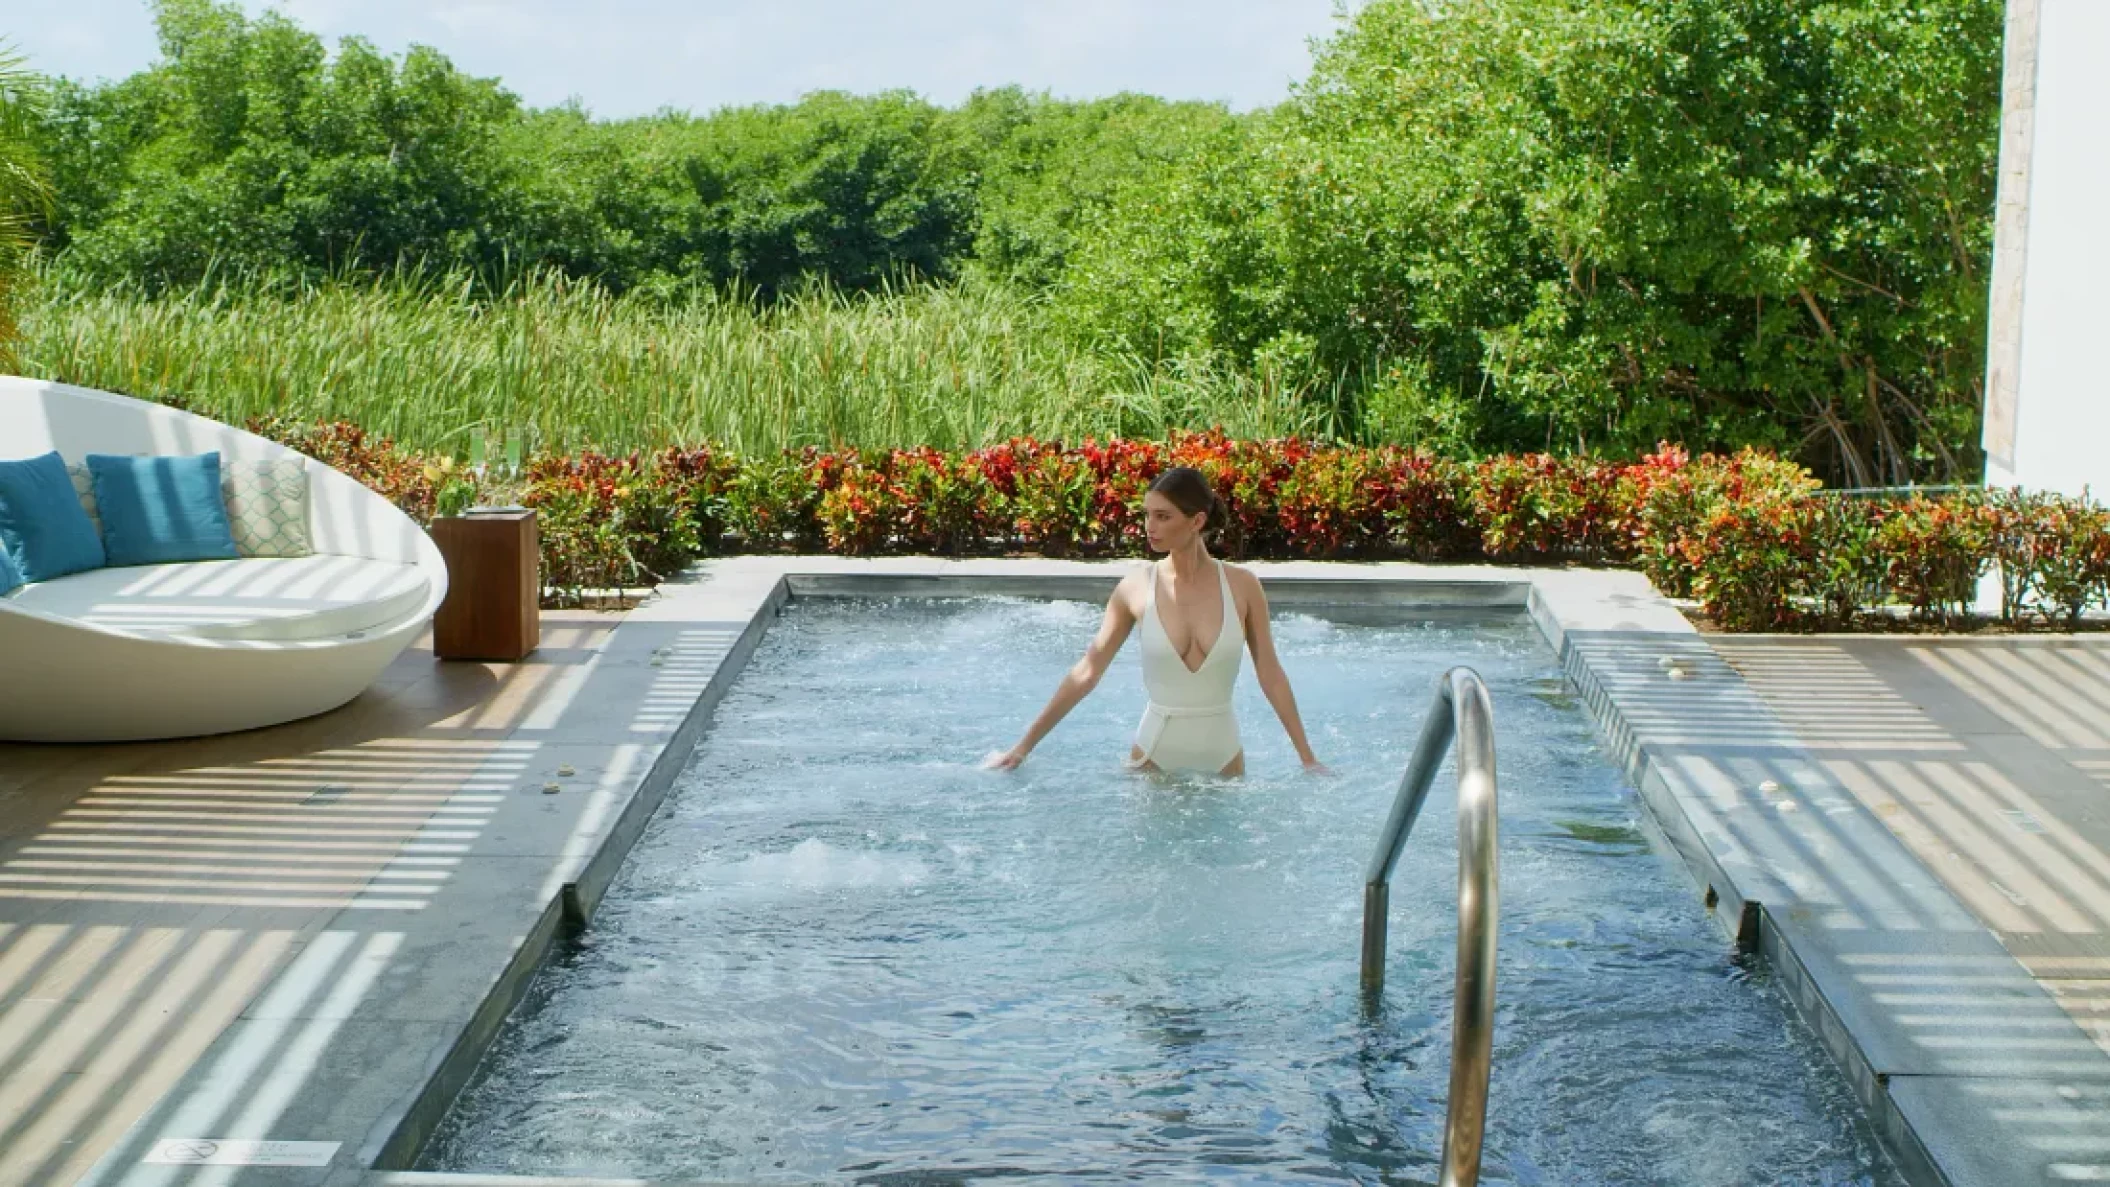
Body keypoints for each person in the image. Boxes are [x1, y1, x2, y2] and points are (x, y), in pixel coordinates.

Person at [985, 466, 1327, 777]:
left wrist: (1308, 759)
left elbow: (1270, 673)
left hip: (1224, 760)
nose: (1150, 527)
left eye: (1163, 516)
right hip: (1153, 757)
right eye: (1147, 515)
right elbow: (1087, 672)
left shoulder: (1243, 586)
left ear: (1197, 521)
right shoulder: (1135, 587)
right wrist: (1022, 748)